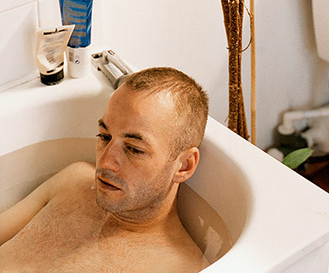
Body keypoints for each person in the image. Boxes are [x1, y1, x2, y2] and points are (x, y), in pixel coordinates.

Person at [0, 67, 209, 272]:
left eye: (134, 149)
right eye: (104, 137)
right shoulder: (74, 180)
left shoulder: (179, 268)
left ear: (184, 166)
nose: (106, 162)